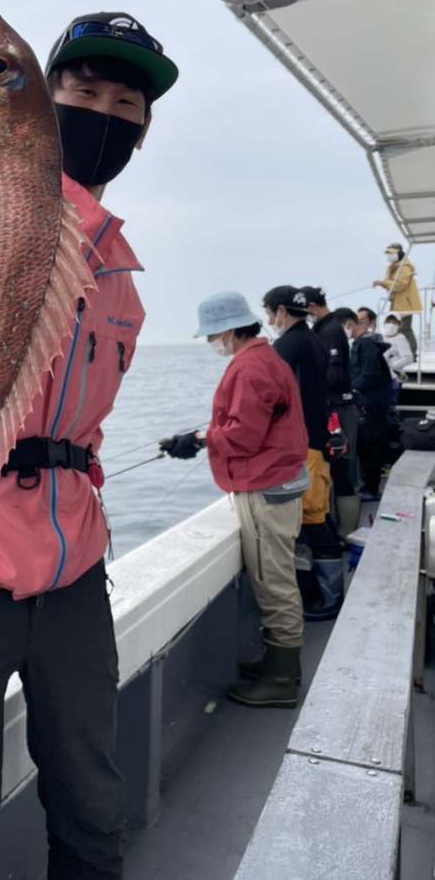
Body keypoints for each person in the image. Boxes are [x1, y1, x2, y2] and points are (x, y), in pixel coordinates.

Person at [0, 11, 179, 879]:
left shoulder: (121, 263)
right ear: (45, 102)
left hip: (74, 574)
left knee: (93, 792)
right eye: (84, 91)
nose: (107, 112)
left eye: (126, 101)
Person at [161, 292, 308, 707]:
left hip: (264, 489)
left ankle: (281, 682)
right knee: (276, 576)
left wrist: (200, 437)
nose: (212, 343)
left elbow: (243, 436)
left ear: (228, 329)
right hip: (278, 483)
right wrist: (200, 436)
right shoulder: (264, 360)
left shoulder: (248, 368)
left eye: (212, 335)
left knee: (273, 581)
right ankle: (281, 665)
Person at [262, 286, 344, 621]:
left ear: (281, 311)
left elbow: (271, 397)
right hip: (319, 443)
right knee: (319, 518)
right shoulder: (314, 340)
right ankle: (325, 595)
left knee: (313, 523)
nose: (268, 319)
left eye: (268, 312)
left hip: (304, 447)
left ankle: (328, 599)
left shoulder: (285, 346)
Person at [301, 286, 360, 540]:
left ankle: (348, 532)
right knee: (332, 466)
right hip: (330, 409)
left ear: (312, 306)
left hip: (339, 410)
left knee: (343, 467)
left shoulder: (332, 330)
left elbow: (335, 375)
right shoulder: (321, 330)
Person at [333, 307, 393, 502]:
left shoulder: (367, 346)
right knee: (367, 448)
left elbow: (370, 376)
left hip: (369, 405)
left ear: (348, 325)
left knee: (368, 448)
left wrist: (348, 389)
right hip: (369, 403)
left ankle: (371, 488)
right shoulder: (364, 344)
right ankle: (369, 486)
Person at [373, 242, 422, 358]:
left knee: (405, 328)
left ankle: (412, 353)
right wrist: (382, 283)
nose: (389, 255)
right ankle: (402, 352)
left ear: (399, 253)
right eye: (388, 253)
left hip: (405, 303)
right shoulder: (393, 268)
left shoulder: (404, 267)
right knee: (398, 328)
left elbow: (399, 285)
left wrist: (383, 282)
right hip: (397, 302)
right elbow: (391, 286)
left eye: (392, 253)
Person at [383, 314, 413, 405]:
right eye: (388, 322)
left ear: (399, 325)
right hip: (382, 377)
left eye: (394, 322)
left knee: (391, 401)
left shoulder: (400, 338)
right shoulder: (382, 337)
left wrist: (392, 366)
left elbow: (408, 358)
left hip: (395, 377)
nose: (391, 324)